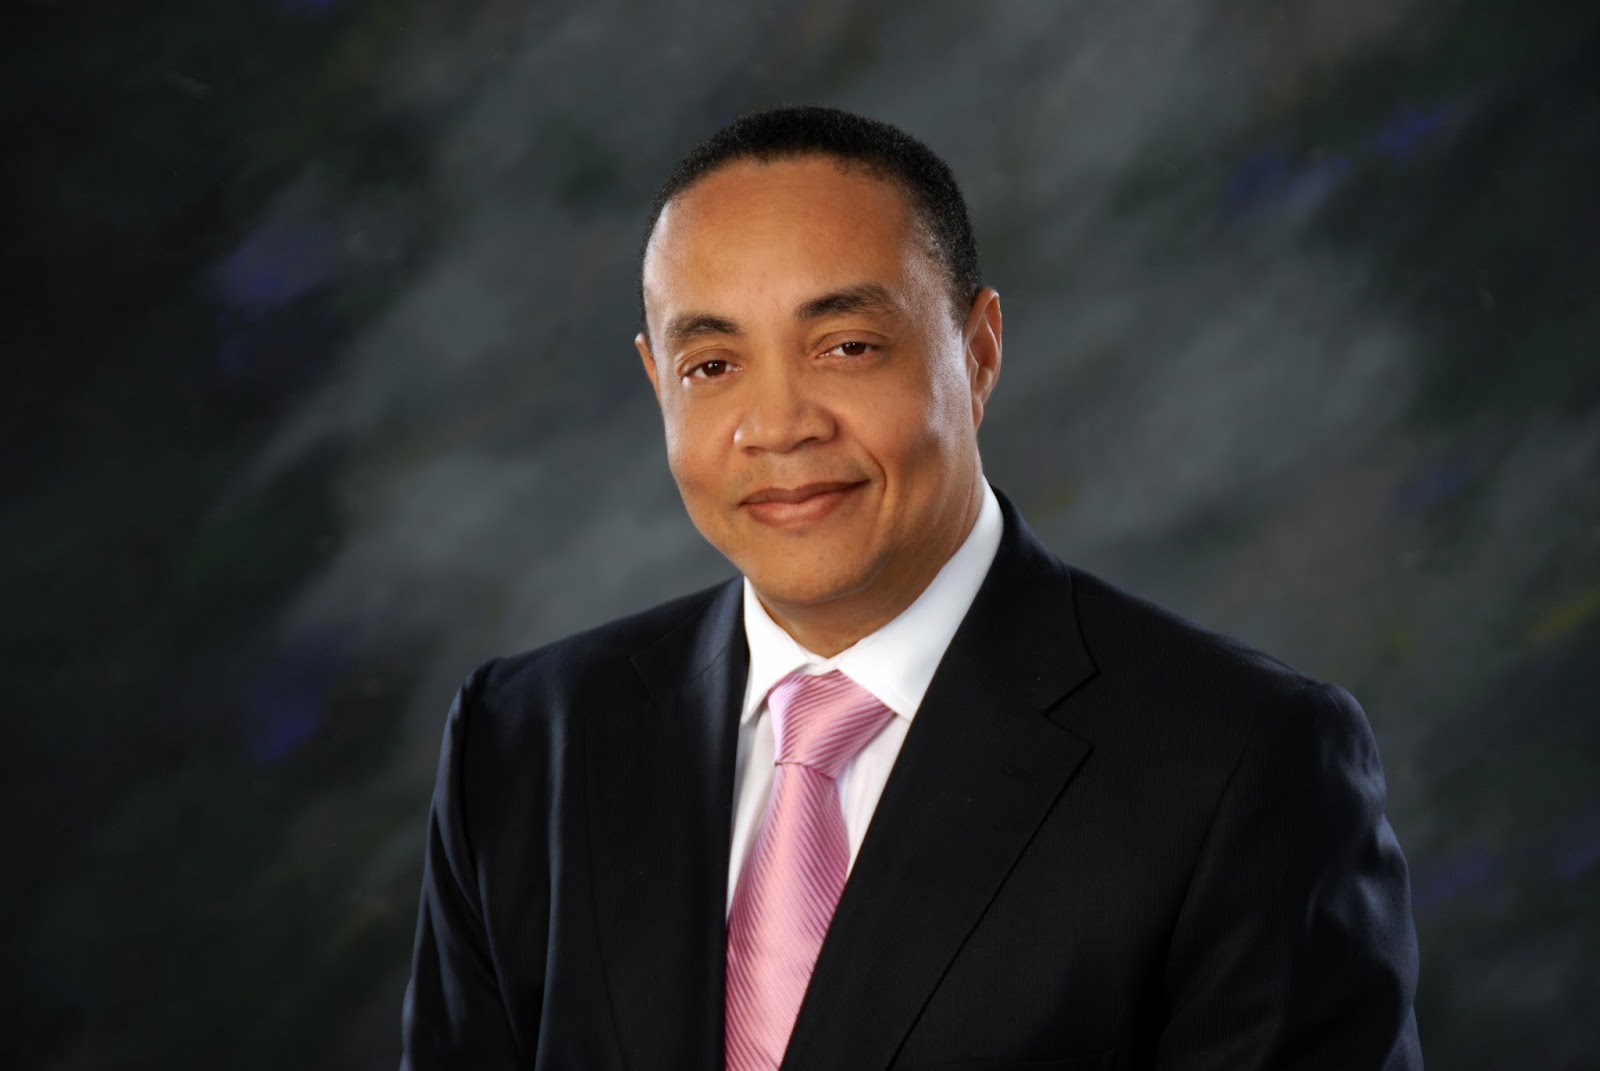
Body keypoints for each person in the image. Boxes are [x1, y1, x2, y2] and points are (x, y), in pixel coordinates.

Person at [400, 105, 1422, 1070]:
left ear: (977, 352)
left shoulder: (1240, 761)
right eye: (711, 365)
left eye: (846, 348)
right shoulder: (524, 742)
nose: (779, 426)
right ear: (656, 382)